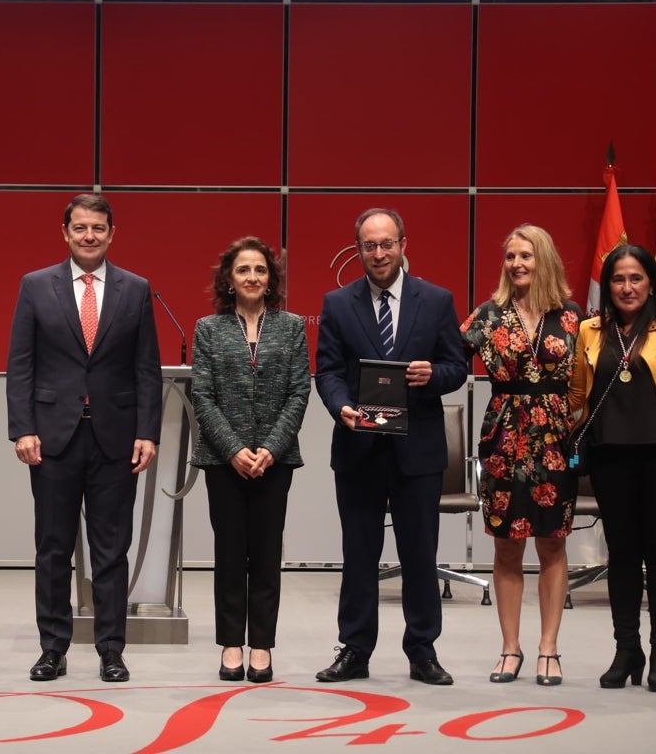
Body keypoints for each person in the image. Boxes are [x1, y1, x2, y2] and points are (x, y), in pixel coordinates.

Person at [7, 193, 163, 683]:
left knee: (111, 551)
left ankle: (111, 649)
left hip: (115, 439)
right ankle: (52, 648)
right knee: (52, 548)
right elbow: (22, 365)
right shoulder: (36, 286)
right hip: (52, 438)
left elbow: (147, 370)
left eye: (98, 228)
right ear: (66, 232)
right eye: (80, 228)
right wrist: (23, 428)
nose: (89, 236)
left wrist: (147, 432)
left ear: (111, 234)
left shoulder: (135, 289)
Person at [313, 207, 468, 686]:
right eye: (369, 246)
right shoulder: (338, 304)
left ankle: (422, 651)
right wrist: (340, 407)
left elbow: (457, 367)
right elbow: (329, 372)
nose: (379, 254)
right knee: (358, 553)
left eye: (387, 244)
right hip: (358, 446)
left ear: (403, 244)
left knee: (420, 554)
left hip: (417, 450)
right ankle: (355, 650)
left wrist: (432, 375)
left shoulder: (437, 300)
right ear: (357, 249)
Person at [568, 244, 656, 694]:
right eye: (618, 279)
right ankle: (627, 650)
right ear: (607, 286)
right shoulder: (590, 330)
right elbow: (577, 396)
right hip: (609, 456)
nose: (627, 287)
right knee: (621, 555)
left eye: (636, 278)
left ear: (651, 282)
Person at [460, 225, 581, 687]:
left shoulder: (571, 316)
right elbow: (449, 358)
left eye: (526, 256)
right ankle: (510, 647)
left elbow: (587, 379)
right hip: (503, 438)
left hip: (554, 438)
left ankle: (549, 649)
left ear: (544, 259)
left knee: (552, 542)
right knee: (506, 545)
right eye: (510, 256)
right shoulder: (489, 315)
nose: (516, 264)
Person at [190, 237, 310, 684]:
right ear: (228, 279)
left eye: (260, 270)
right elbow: (201, 394)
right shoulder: (208, 328)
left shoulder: (293, 327)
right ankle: (230, 644)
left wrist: (271, 449)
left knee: (265, 555)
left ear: (271, 278)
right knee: (229, 554)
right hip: (224, 464)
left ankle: (261, 644)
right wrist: (234, 449)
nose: (253, 278)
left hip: (275, 463)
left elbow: (300, 392)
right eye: (243, 270)